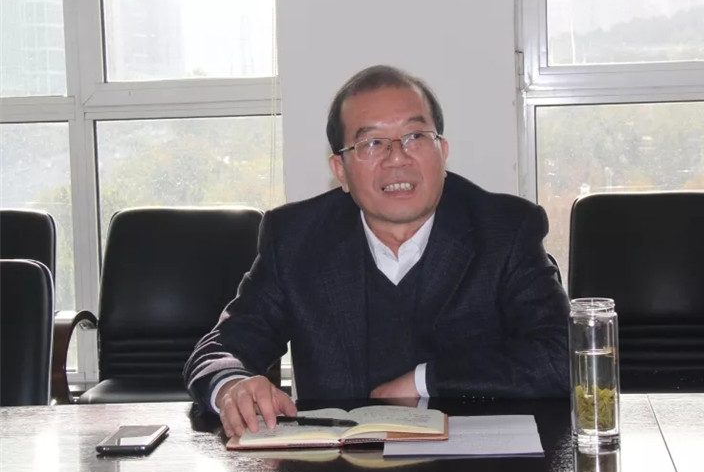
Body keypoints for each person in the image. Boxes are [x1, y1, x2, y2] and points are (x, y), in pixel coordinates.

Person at [184, 65, 570, 438]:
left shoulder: (505, 230)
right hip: (339, 466)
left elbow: (565, 355)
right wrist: (231, 385)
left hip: (476, 464)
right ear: (340, 170)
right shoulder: (296, 239)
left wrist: (426, 380)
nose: (397, 157)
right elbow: (220, 349)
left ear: (442, 151)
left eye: (415, 137)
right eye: (371, 143)